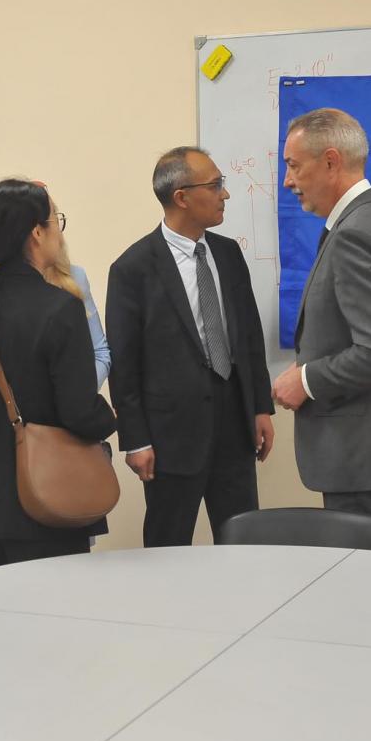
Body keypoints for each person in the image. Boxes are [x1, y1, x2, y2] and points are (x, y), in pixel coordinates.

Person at [272, 108, 371, 550]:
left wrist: (306, 380)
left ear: (331, 161)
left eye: (293, 166)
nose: (287, 181)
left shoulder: (356, 233)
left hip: (363, 451)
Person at [106, 146, 274, 547]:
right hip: (171, 438)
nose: (224, 194)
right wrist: (135, 440)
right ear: (181, 197)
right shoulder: (132, 269)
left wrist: (260, 406)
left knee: (243, 541)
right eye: (215, 185)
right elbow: (125, 364)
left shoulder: (228, 254)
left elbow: (249, 337)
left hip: (234, 427)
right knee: (168, 545)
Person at [0, 179, 116, 571]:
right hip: (43, 506)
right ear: (37, 233)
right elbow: (77, 411)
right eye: (56, 220)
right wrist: (109, 417)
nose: (58, 230)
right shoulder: (60, 308)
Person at [38, 190, 111, 389]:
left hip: (78, 402)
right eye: (53, 219)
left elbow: (101, 353)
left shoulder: (75, 277)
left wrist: (80, 393)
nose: (58, 231)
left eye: (57, 218)